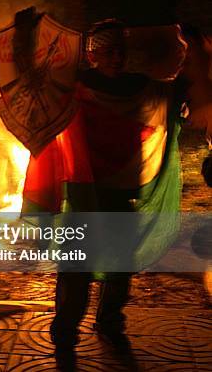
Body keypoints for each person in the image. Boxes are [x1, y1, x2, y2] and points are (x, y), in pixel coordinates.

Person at [20, 19, 185, 370]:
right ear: (92, 55)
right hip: (83, 198)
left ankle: (109, 322)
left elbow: (176, 95)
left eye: (120, 52)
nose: (116, 59)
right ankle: (64, 333)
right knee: (76, 270)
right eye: (108, 52)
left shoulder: (141, 89)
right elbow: (39, 107)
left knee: (120, 269)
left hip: (120, 195)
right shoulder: (71, 91)